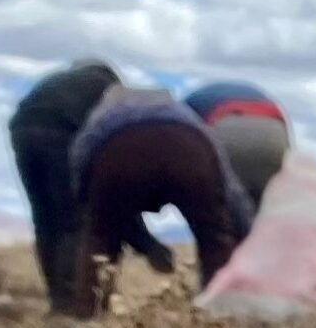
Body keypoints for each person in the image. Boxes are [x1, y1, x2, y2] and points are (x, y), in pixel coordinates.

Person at [68, 84, 255, 314]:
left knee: (101, 239)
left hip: (117, 151)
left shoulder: (106, 111)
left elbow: (81, 153)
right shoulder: (184, 115)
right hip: (187, 149)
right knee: (214, 238)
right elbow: (226, 184)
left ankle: (88, 316)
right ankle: (223, 314)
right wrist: (249, 235)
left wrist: (85, 200)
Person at [10, 63, 123, 314]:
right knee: (72, 220)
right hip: (61, 132)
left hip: (21, 130)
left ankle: (57, 298)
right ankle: (71, 302)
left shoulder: (62, 81)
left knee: (44, 218)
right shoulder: (110, 92)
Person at [184, 80, 292, 210]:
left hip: (225, 124)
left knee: (220, 213)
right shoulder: (258, 95)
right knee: (262, 213)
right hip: (274, 132)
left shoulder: (180, 108)